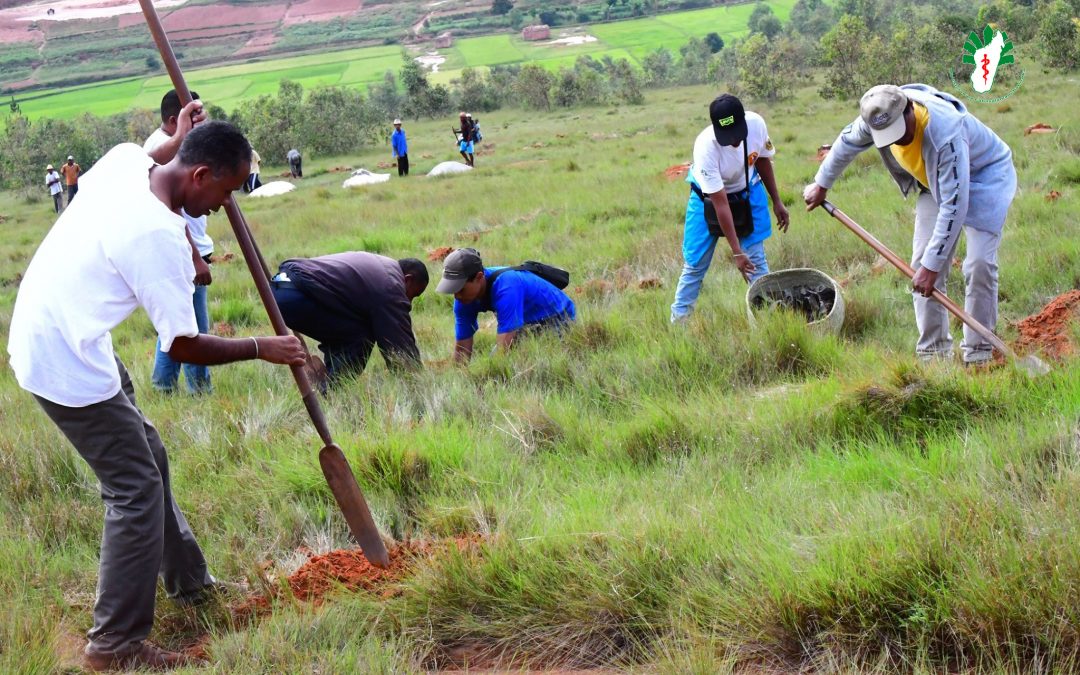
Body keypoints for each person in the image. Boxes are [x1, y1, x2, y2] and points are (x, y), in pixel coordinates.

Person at [7, 113, 306, 671]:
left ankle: (189, 581)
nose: (224, 205)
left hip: (71, 333)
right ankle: (114, 644)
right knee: (134, 489)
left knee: (151, 456)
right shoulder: (155, 237)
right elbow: (184, 345)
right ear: (198, 175)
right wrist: (265, 347)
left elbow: (154, 151)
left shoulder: (128, 161)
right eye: (224, 190)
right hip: (62, 356)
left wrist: (177, 134)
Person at [804, 84, 1017, 366]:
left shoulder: (945, 133)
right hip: (934, 180)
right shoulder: (878, 115)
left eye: (898, 129)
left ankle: (979, 352)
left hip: (984, 177)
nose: (897, 140)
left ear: (908, 109)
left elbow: (955, 205)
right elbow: (847, 142)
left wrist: (933, 265)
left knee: (978, 264)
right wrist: (821, 183)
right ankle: (934, 354)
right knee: (921, 265)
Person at [670, 94, 790, 323]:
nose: (734, 141)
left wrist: (777, 201)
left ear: (744, 121)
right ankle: (679, 324)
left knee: (755, 260)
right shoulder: (705, 147)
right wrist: (736, 251)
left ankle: (768, 320)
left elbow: (763, 160)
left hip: (748, 189)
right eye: (728, 137)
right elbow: (720, 202)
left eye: (737, 134)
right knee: (695, 265)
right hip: (707, 198)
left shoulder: (757, 124)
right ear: (716, 129)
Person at [144, 89, 215, 394]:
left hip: (188, 249)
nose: (198, 126)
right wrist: (195, 256)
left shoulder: (171, 144)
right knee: (194, 330)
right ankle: (199, 390)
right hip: (183, 252)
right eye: (192, 120)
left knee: (177, 324)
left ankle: (164, 388)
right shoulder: (163, 150)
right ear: (175, 120)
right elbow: (170, 210)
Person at [271, 252, 428, 382]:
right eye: (413, 294)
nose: (409, 302)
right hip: (297, 294)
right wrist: (415, 380)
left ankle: (327, 380)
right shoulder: (391, 284)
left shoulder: (382, 265)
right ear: (408, 279)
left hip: (279, 286)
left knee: (350, 331)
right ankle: (332, 391)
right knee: (361, 336)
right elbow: (398, 341)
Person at [436, 248, 575, 363]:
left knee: (529, 362)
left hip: (560, 319)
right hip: (527, 323)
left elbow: (503, 352)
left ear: (479, 277)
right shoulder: (463, 298)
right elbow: (462, 351)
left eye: (460, 289)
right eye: (453, 289)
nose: (456, 296)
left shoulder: (507, 287)